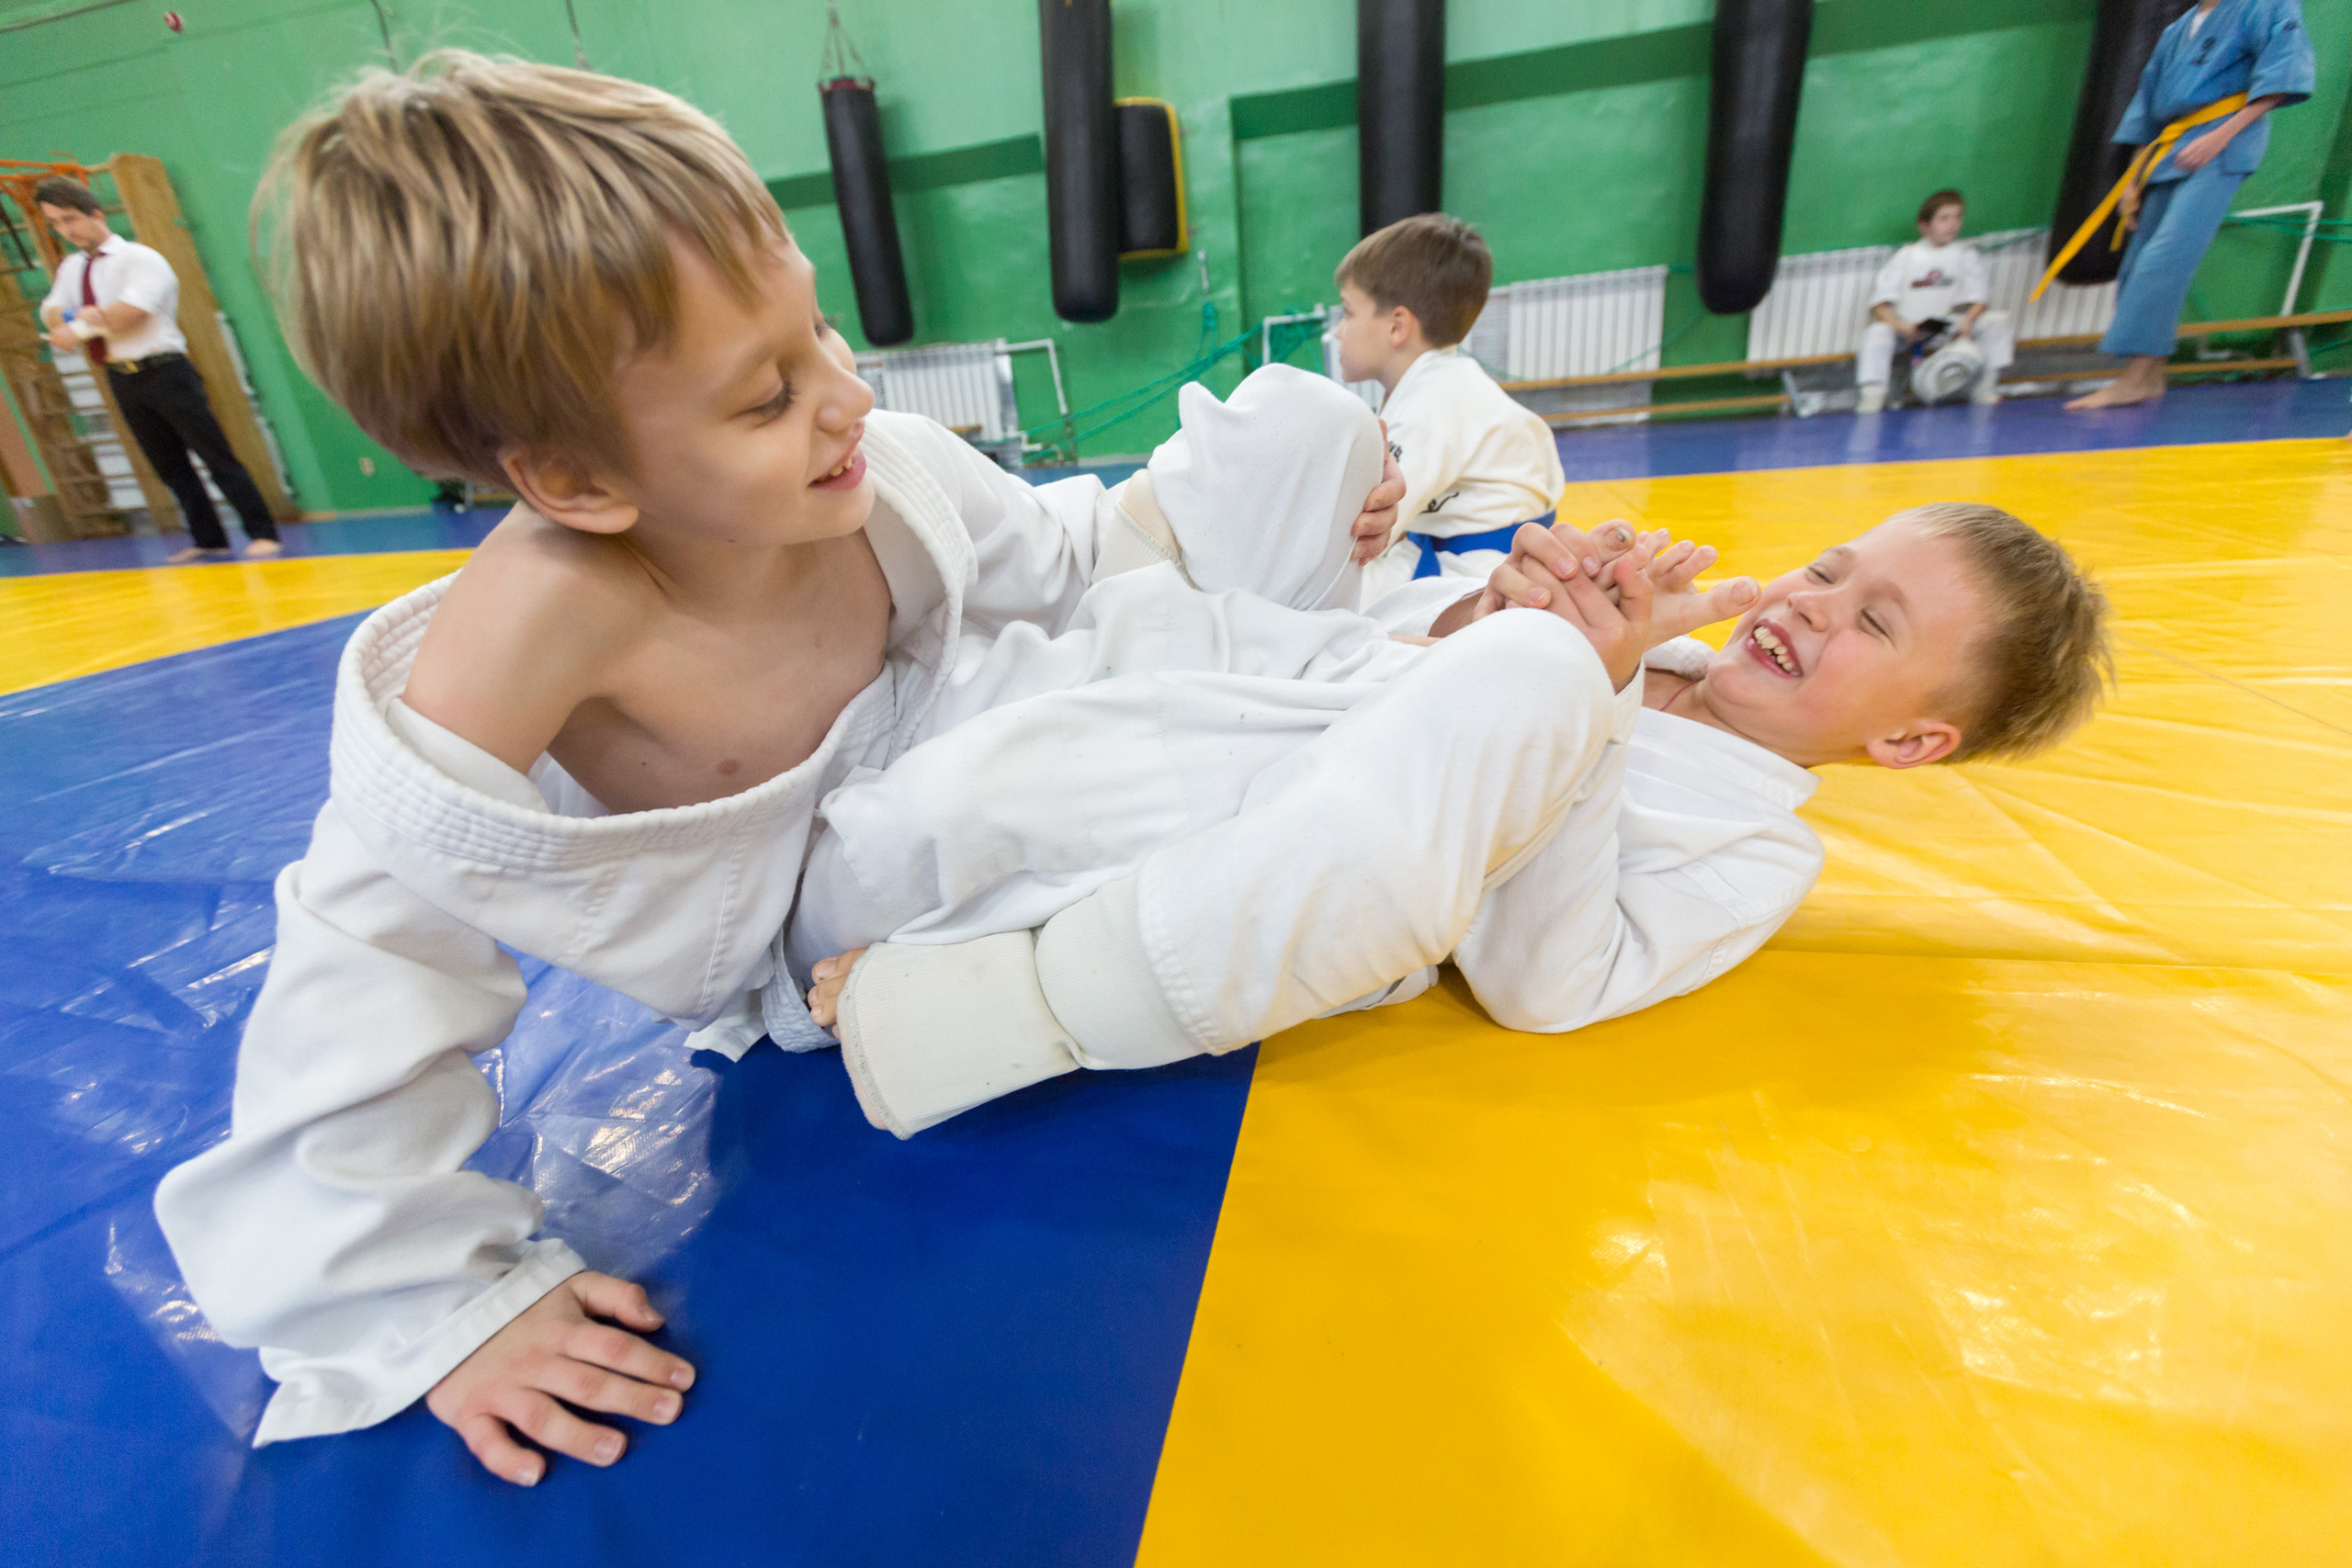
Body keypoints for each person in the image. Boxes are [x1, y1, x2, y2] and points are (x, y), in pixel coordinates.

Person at [146, 51, 1453, 1487]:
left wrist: (1297, 500)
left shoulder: (872, 459)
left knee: (1311, 430)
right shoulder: (536, 624)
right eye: (766, 395)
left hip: (999, 711)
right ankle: (1398, 707)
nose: (843, 391)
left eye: (820, 326)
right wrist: (426, 1295)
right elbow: (372, 945)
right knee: (1032, 777)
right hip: (834, 911)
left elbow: (1069, 561)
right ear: (578, 480)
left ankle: (1352, 676)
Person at [804, 480, 2111, 1140]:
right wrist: (1492, 609)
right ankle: (962, 579)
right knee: (1308, 431)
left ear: (1909, 739)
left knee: (954, 808)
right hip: (1272, 683)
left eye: (1872, 622)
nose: (1813, 605)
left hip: (1273, 837)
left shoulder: (1758, 854)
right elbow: (1383, 651)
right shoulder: (1659, 644)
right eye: (1830, 568)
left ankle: (1007, 996)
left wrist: (1579, 686)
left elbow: (1548, 984)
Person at [2063, 0, 2314, 411]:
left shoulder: (2262, 5)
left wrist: (2221, 136)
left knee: (2163, 260)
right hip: (2169, 151)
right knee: (2138, 259)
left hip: (2222, 146)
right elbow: (2147, 105)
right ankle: (2151, 377)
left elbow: (2282, 72)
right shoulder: (2176, 30)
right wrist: (2132, 178)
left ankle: (2133, 379)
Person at [34, 175, 284, 563]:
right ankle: (208, 539)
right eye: (56, 223)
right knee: (169, 465)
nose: (66, 230)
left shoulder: (141, 259)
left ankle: (262, 532)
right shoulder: (72, 268)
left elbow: (131, 315)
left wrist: (81, 327)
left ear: (96, 215)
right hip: (121, 375)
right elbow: (49, 313)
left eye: (71, 219)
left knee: (215, 455)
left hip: (166, 371)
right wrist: (76, 317)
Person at [1330, 213, 1566, 607]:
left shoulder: (1431, 407)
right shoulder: (1441, 384)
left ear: (1397, 327)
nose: (1338, 331)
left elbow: (1361, 531)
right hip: (1469, 559)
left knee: (1310, 604)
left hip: (1476, 577)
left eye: (1348, 312)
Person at [1856, 190, 2015, 413]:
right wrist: (1902, 326)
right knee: (1876, 333)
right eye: (1944, 218)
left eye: (1957, 217)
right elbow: (1879, 305)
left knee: (1996, 321)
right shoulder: (1906, 256)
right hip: (1908, 327)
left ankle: (1984, 387)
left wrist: (1968, 320)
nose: (1952, 224)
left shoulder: (1964, 255)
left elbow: (1979, 300)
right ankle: (1872, 396)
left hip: (1944, 325)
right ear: (1925, 226)